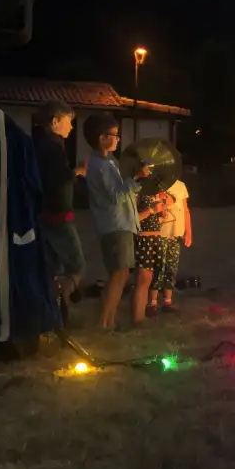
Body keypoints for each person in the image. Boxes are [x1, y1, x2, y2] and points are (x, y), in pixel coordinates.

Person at [84, 113, 164, 329]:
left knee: (121, 273)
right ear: (101, 138)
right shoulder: (100, 165)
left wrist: (138, 179)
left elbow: (123, 192)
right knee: (118, 273)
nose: (118, 139)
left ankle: (110, 321)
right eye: (114, 135)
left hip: (122, 223)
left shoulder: (109, 162)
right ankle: (104, 322)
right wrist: (135, 178)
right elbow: (115, 196)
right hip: (115, 225)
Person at [32, 101, 87, 307]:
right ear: (55, 122)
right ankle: (61, 301)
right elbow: (56, 180)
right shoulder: (53, 146)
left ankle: (50, 308)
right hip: (57, 215)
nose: (71, 127)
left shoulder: (37, 143)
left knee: (52, 266)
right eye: (68, 121)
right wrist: (77, 172)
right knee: (77, 265)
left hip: (42, 213)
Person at [148, 178, 192, 315]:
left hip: (175, 234)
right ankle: (152, 303)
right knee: (158, 268)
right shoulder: (156, 185)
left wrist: (188, 231)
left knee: (171, 268)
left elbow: (185, 209)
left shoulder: (180, 185)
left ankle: (167, 301)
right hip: (160, 234)